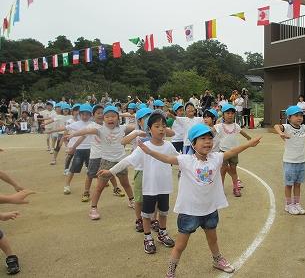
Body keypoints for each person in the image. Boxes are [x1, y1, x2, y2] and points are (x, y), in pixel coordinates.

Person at [137, 123, 261, 277]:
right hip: (189, 212)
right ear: (193, 143)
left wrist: (249, 143)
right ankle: (171, 270)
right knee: (181, 245)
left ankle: (217, 260)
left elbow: (233, 151)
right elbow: (167, 158)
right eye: (203, 138)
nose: (208, 142)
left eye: (210, 138)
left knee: (213, 240)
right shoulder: (186, 160)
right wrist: (149, 151)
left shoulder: (216, 158)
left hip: (209, 210)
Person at [99, 111, 177, 254]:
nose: (161, 129)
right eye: (157, 126)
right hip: (149, 188)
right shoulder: (144, 147)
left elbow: (180, 160)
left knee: (163, 212)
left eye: (164, 126)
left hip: (164, 187)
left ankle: (162, 233)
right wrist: (111, 171)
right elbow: (127, 160)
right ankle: (147, 237)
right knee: (146, 214)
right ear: (149, 129)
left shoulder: (168, 146)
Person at [67, 106, 136, 219]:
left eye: (113, 116)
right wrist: (73, 135)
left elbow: (136, 127)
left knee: (126, 184)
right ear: (103, 119)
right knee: (99, 187)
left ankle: (131, 201)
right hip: (106, 162)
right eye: (107, 116)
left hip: (120, 162)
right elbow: (87, 131)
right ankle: (93, 208)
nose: (110, 118)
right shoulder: (100, 130)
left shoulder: (123, 128)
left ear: (118, 118)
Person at [214, 104, 252, 197]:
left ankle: (236, 188)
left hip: (234, 152)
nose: (230, 115)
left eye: (232, 113)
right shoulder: (219, 126)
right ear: (223, 114)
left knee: (234, 171)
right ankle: (220, 190)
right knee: (222, 171)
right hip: (223, 152)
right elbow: (210, 132)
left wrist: (249, 138)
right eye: (227, 113)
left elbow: (243, 133)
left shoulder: (236, 126)